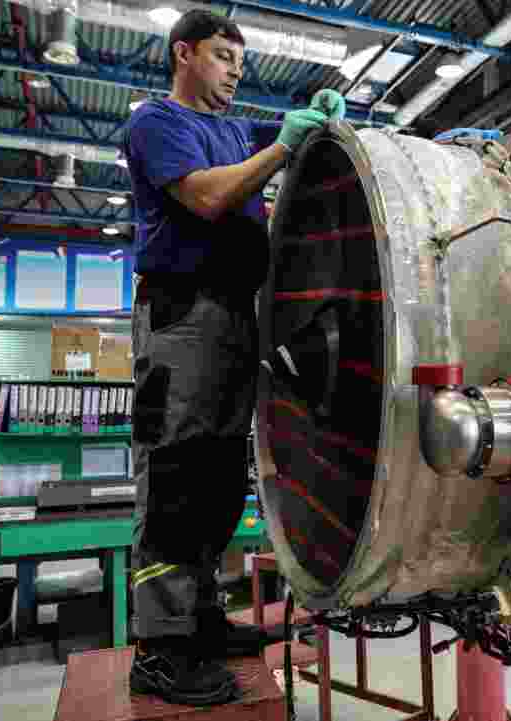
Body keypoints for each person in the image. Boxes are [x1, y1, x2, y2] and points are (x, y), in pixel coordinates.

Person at [122, 9, 345, 706]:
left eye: (240, 65)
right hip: (182, 317)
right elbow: (211, 196)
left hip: (232, 320)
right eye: (222, 59)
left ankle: (204, 624)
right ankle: (160, 650)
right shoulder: (155, 124)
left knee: (219, 479)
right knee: (176, 476)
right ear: (184, 54)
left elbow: (277, 139)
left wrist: (310, 117)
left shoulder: (229, 128)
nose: (233, 74)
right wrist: (283, 146)